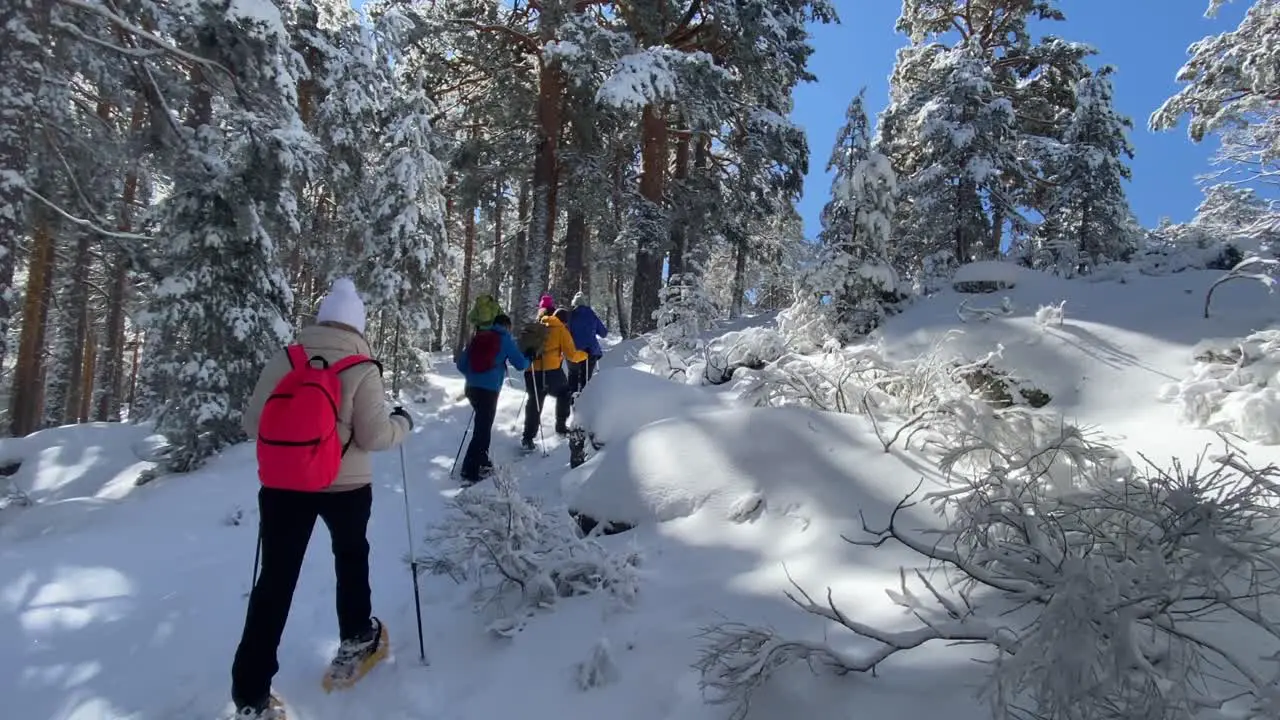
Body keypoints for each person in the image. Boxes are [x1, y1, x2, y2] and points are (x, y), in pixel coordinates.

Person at [231, 278, 412, 720]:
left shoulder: (285, 358)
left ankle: (251, 696)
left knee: (275, 581)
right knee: (351, 556)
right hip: (346, 485)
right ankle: (356, 639)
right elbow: (373, 435)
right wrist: (402, 424)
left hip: (283, 486)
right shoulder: (363, 366)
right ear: (357, 325)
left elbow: (252, 424)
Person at [455, 312, 528, 483]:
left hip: (471, 388)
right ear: (507, 326)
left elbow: (461, 364)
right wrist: (530, 356)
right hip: (489, 391)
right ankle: (470, 470)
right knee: (482, 429)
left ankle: (482, 461)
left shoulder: (479, 337)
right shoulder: (506, 339)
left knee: (483, 426)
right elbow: (521, 364)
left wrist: (474, 376)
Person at [522, 305, 586, 450]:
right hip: (551, 371)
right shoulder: (560, 330)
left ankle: (528, 437)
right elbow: (572, 355)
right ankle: (561, 426)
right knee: (564, 393)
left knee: (534, 402)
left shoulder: (539, 324)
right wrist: (585, 355)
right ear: (565, 321)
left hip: (531, 370)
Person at [566, 291, 608, 395]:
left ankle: (572, 400)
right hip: (591, 351)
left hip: (574, 351)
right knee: (586, 379)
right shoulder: (592, 315)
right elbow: (603, 333)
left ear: (574, 303)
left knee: (573, 375)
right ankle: (585, 401)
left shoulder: (571, 316)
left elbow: (566, 332)